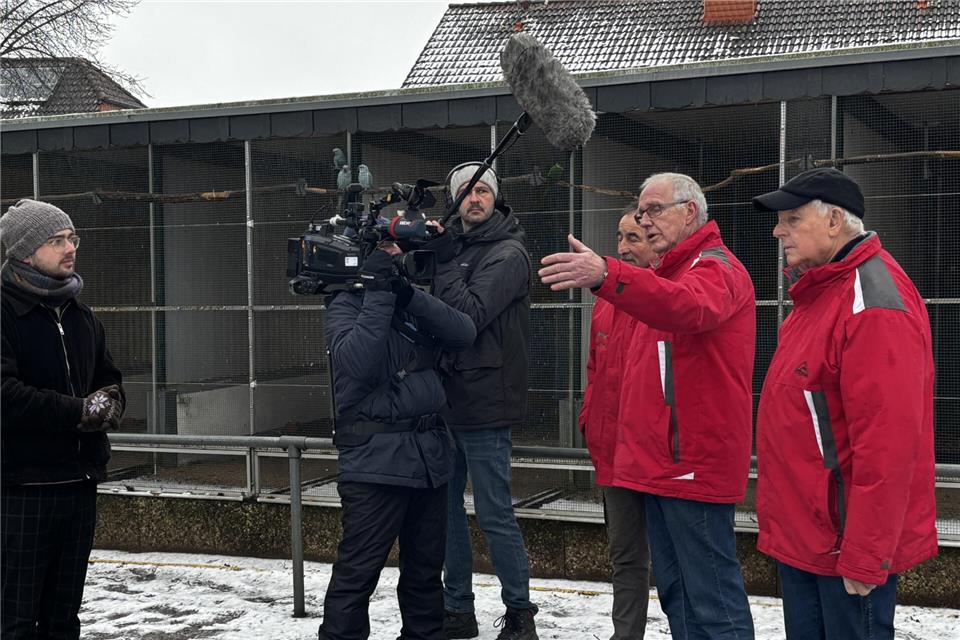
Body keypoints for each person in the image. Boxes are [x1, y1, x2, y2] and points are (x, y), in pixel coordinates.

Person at [539, 173, 756, 639]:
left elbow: (687, 308)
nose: (645, 220)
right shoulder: (663, 275)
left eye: (654, 210)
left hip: (691, 468)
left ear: (690, 212)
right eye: (641, 212)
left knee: (712, 599)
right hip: (659, 465)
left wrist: (607, 275)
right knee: (679, 593)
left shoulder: (714, 268)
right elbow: (615, 375)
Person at [752, 168, 937, 639]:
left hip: (843, 549)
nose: (778, 231)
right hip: (810, 539)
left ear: (835, 221)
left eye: (792, 219)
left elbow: (889, 445)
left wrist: (866, 553)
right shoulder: (822, 290)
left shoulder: (869, 302)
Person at [318, 240, 476, 640]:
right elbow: (358, 364)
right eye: (386, 253)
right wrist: (376, 295)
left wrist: (408, 296)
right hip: (375, 465)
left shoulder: (409, 302)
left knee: (425, 577)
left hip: (429, 461)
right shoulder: (344, 306)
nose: (396, 260)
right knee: (357, 576)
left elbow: (464, 331)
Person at [1, 199, 125, 640]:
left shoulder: (81, 315)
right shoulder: (4, 312)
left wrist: (110, 403)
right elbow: (5, 395)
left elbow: (108, 379)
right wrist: (78, 412)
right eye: (55, 241)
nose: (69, 247)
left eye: (71, 238)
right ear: (24, 252)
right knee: (15, 618)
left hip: (79, 483)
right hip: (21, 487)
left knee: (63, 616)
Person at [424, 163, 537, 640]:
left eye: (484, 190)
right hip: (443, 400)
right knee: (446, 514)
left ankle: (519, 614)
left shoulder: (508, 253)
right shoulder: (451, 247)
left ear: (496, 197)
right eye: (467, 192)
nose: (476, 198)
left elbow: (466, 316)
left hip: (488, 403)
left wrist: (445, 260)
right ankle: (457, 610)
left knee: (494, 514)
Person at [580, 203, 658, 640]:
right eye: (620, 238)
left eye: (635, 238)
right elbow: (595, 370)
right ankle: (625, 635)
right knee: (625, 556)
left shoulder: (668, 296)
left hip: (655, 454)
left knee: (671, 558)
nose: (624, 248)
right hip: (613, 453)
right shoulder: (605, 303)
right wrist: (591, 421)